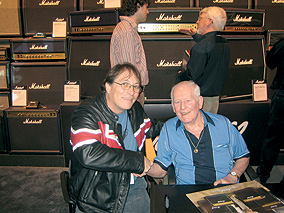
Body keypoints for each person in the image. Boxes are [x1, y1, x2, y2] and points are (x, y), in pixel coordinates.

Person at [68, 63, 163, 212]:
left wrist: (182, 125)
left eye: (136, 86)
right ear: (108, 86)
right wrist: (137, 161)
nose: (131, 92)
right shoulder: (87, 112)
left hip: (133, 188)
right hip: (97, 196)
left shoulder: (135, 109)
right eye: (124, 84)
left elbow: (152, 129)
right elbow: (89, 153)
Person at [146, 81, 250, 186]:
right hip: (187, 192)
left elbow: (243, 156)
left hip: (223, 189)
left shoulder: (223, 124)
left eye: (188, 100)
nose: (183, 107)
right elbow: (161, 169)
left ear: (200, 102)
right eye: (177, 102)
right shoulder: (169, 129)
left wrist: (233, 176)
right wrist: (142, 165)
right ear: (173, 106)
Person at [178, 6, 230, 114]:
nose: (197, 22)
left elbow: (192, 75)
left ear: (209, 21)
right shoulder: (224, 43)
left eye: (200, 18)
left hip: (201, 100)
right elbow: (210, 44)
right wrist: (195, 35)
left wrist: (180, 75)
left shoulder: (201, 46)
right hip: (215, 98)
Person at [110, 0, 150, 107]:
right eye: (146, 7)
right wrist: (134, 93)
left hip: (131, 92)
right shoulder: (126, 31)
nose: (148, 11)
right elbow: (128, 71)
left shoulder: (128, 29)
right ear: (138, 6)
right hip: (130, 94)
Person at [257, 37, 284, 184]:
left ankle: (262, 176)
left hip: (282, 97)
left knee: (273, 139)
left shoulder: (282, 44)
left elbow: (271, 63)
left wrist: (270, 51)